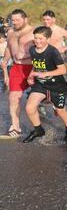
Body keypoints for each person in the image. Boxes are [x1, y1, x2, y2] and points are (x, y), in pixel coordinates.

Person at [23, 26, 67, 144]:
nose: (37, 41)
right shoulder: (32, 50)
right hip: (41, 85)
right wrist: (31, 76)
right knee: (29, 107)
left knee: (60, 111)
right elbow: (35, 65)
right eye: (35, 38)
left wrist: (45, 74)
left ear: (48, 38)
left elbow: (62, 70)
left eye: (41, 39)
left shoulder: (53, 52)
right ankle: (38, 130)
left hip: (57, 87)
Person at [1, 9, 34, 138]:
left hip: (34, 67)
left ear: (25, 19)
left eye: (17, 20)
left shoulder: (34, 32)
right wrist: (4, 63)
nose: (14, 22)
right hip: (17, 68)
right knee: (13, 97)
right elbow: (9, 48)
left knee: (46, 98)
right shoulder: (10, 32)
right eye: (12, 20)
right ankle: (15, 126)